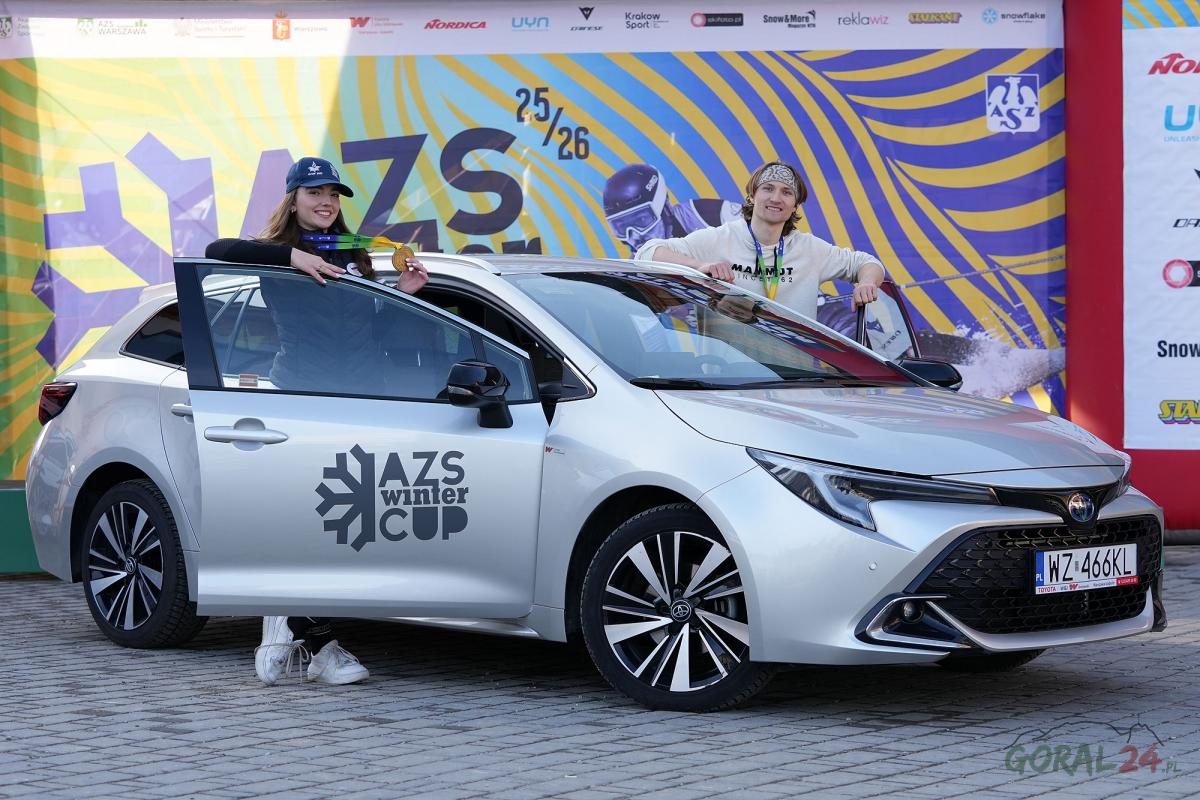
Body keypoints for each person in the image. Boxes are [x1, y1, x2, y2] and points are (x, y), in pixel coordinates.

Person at [205, 156, 429, 687]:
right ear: (293, 200)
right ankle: (321, 645)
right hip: (302, 400)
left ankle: (288, 621)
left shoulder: (352, 252)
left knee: (343, 529)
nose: (325, 202)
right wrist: (292, 257)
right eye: (314, 193)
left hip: (359, 401)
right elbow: (216, 251)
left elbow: (370, 329)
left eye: (332, 194)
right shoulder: (278, 253)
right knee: (314, 521)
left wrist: (404, 295)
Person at [634, 160, 885, 322]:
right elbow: (647, 252)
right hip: (726, 376)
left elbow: (867, 263)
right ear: (752, 196)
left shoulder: (810, 249)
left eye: (787, 192)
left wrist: (866, 282)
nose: (776, 198)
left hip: (796, 376)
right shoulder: (720, 238)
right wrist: (700, 266)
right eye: (768, 189)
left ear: (795, 205)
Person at [604, 163, 740, 253]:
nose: (635, 236)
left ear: (666, 209)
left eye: (642, 220)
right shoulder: (637, 269)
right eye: (621, 228)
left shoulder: (709, 215)